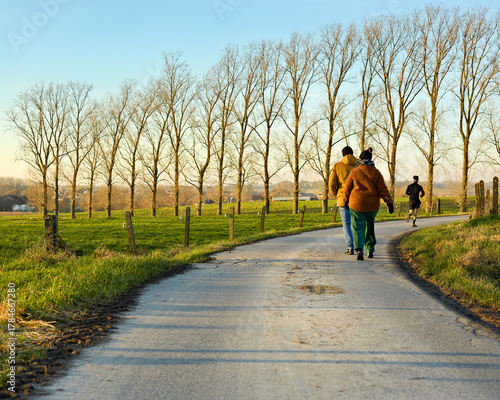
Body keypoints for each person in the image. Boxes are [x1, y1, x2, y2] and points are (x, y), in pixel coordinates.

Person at [344, 148, 394, 260]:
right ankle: (370, 250)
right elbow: (383, 190)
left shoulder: (354, 172)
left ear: (360, 159)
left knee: (358, 227)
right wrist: (389, 202)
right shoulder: (376, 172)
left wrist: (345, 201)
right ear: (371, 159)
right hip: (372, 205)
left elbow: (347, 189)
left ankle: (359, 249)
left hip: (356, 204)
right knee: (370, 227)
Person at [329, 146, 358, 255]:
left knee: (346, 224)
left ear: (343, 155)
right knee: (357, 224)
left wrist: (336, 195)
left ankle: (350, 247)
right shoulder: (359, 164)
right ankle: (359, 246)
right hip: (357, 199)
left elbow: (332, 184)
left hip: (343, 199)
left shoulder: (337, 166)